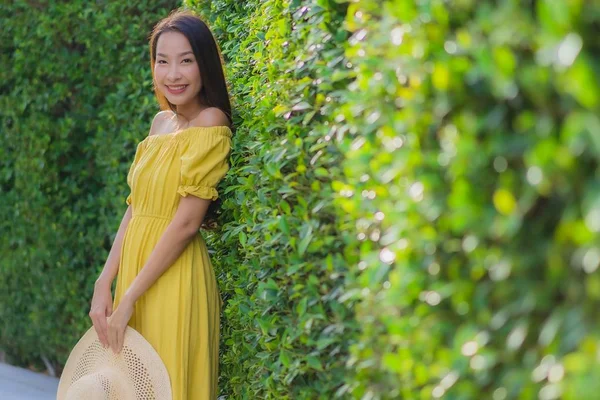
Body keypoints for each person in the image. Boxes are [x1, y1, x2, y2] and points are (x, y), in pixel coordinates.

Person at [87, 8, 233, 399]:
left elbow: (186, 224)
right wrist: (106, 282)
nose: (173, 74)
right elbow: (135, 209)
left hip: (174, 278)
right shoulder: (159, 124)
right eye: (162, 61)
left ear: (204, 65)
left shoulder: (210, 122)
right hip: (136, 275)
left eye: (186, 60)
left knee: (168, 385)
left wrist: (130, 296)